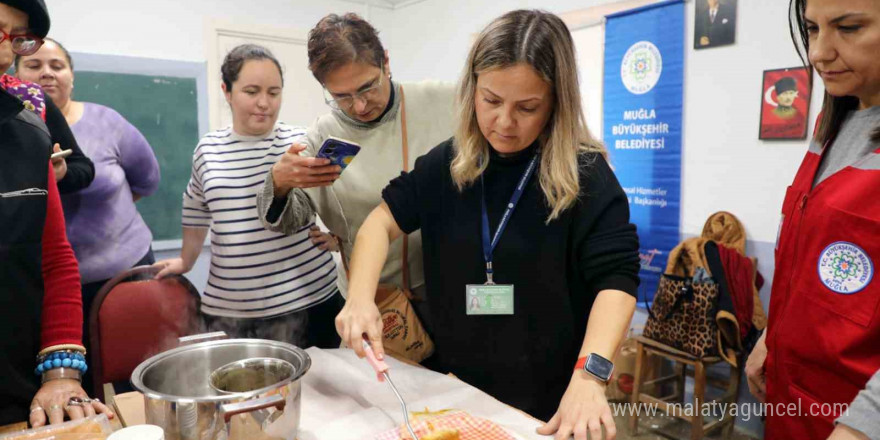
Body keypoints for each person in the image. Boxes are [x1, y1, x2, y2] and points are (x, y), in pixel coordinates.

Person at [335, 9, 640, 439]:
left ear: (556, 102)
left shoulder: (584, 173)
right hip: (456, 389)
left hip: (552, 400)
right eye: (491, 100)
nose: (504, 122)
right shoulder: (449, 162)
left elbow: (617, 280)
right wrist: (360, 299)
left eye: (527, 107)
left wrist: (591, 376)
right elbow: (379, 223)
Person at [256, 13, 456, 331]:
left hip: (445, 292)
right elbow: (289, 220)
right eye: (342, 97)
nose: (360, 106)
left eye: (367, 88)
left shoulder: (443, 102)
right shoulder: (322, 137)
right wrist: (279, 183)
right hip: (370, 302)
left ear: (386, 63)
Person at [745, 1, 880, 439]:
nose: (819, 52)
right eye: (811, 29)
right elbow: (808, 254)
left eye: (848, 27)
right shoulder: (835, 121)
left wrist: (861, 426)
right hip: (791, 399)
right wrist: (771, 337)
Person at [153, 44, 342, 349]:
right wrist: (187, 260)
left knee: (322, 393)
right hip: (232, 311)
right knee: (241, 394)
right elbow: (195, 207)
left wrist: (339, 238)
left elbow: (337, 197)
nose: (264, 103)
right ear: (227, 91)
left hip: (309, 300)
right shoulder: (208, 150)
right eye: (252, 91)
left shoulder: (298, 142)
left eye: (274, 92)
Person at [15, 38, 161, 391]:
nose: (47, 74)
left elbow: (147, 180)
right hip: (54, 290)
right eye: (34, 66)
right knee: (75, 383)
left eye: (57, 66)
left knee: (141, 377)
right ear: (15, 75)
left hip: (128, 276)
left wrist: (109, 222)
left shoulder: (107, 122)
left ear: (71, 76)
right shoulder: (13, 135)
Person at [0, 0, 111, 427]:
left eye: (18, 38)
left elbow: (56, 259)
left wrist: (61, 373)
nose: (6, 49)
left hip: (16, 390)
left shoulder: (30, 133)